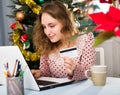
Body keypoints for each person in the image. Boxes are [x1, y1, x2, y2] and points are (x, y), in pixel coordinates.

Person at [31, 1, 96, 81]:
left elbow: (89, 72)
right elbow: (46, 71)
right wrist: (40, 73)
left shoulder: (86, 38)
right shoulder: (47, 43)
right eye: (44, 27)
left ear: (65, 22)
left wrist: (74, 70)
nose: (47, 32)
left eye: (52, 26)